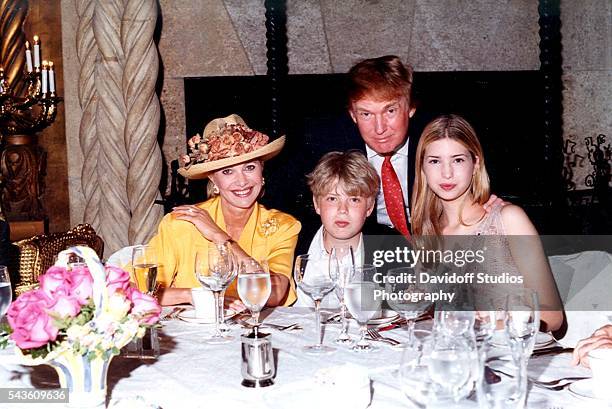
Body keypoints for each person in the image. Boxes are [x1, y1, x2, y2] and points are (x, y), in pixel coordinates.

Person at [287, 55, 500, 254]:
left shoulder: (435, 140)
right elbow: (285, 203)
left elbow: (484, 180)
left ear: (410, 108)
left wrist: (495, 204)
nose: (379, 129)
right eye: (366, 114)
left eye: (390, 111)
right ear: (353, 115)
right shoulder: (325, 142)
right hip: (366, 251)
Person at [410, 114, 564, 333]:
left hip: (508, 358)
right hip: (455, 355)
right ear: (422, 168)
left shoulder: (508, 219)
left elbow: (552, 316)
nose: (447, 173)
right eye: (435, 161)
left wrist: (482, 325)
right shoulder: (427, 231)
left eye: (458, 160)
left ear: (475, 163)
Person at [149, 114, 301, 307]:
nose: (242, 181)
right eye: (227, 171)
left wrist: (219, 236)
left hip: (254, 332)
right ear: (212, 179)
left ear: (262, 170)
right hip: (193, 333)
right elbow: (140, 289)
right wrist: (194, 295)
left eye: (250, 167)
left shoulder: (283, 226)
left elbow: (275, 294)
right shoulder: (182, 222)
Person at [294, 150, 379, 308]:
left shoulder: (390, 246)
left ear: (369, 207)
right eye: (332, 199)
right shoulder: (295, 241)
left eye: (354, 199)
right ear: (317, 203)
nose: (342, 210)